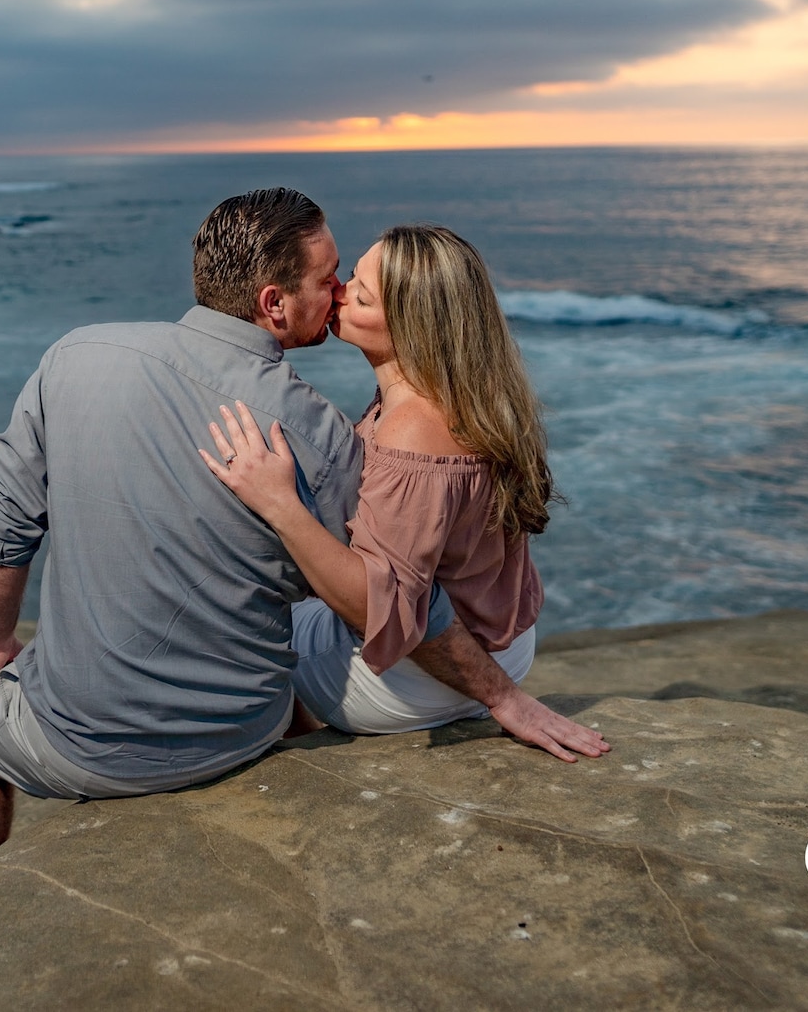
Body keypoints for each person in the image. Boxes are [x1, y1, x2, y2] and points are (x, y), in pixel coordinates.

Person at [0, 192, 601, 876]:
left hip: (89, 736)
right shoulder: (329, 433)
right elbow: (410, 580)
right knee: (290, 598)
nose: (339, 292)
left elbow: (0, 527)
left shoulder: (76, 356)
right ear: (275, 303)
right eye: (331, 278)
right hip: (243, 732)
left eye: (353, 286)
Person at [202, 224, 610, 752]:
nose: (339, 291)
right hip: (503, 640)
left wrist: (279, 504)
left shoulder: (413, 429)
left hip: (424, 680)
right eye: (349, 276)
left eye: (361, 294)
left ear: (413, 327)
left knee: (242, 625)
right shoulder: (474, 394)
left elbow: (382, 605)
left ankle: (282, 760)